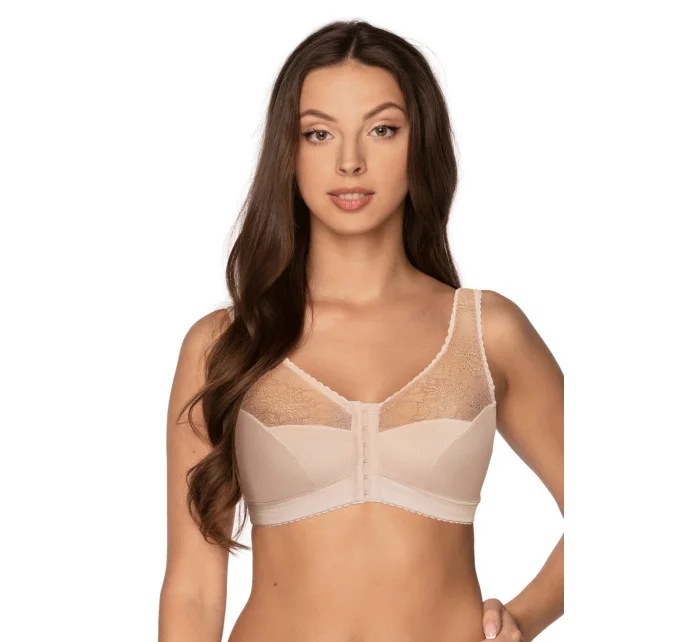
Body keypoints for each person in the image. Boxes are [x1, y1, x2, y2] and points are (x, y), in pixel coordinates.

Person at [158, 19, 564, 642]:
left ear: (420, 143)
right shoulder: (224, 346)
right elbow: (192, 590)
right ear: (289, 152)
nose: (349, 162)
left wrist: (524, 617)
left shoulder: (487, 334)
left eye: (382, 129)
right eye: (319, 134)